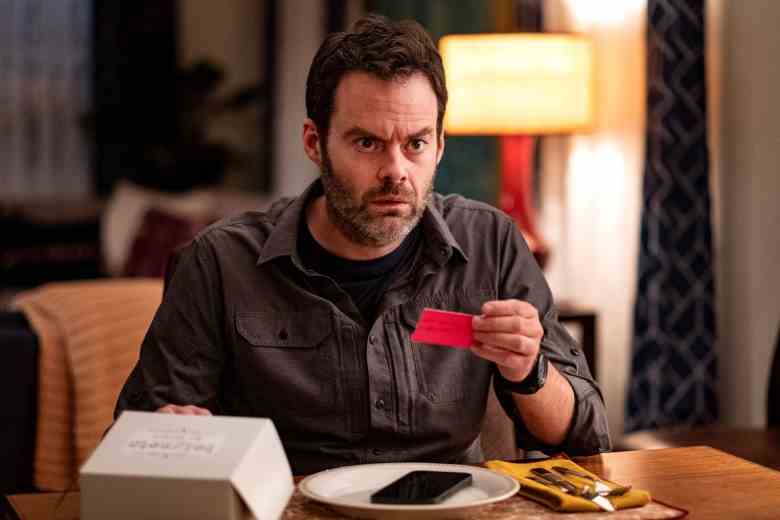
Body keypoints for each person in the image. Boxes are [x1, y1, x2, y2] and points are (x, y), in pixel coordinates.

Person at [115, 14, 611, 474]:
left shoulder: (492, 243)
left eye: (415, 143)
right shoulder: (221, 261)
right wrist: (173, 434)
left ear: (439, 145)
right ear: (314, 143)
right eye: (367, 143)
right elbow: (139, 439)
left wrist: (530, 372)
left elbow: (587, 435)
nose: (396, 170)